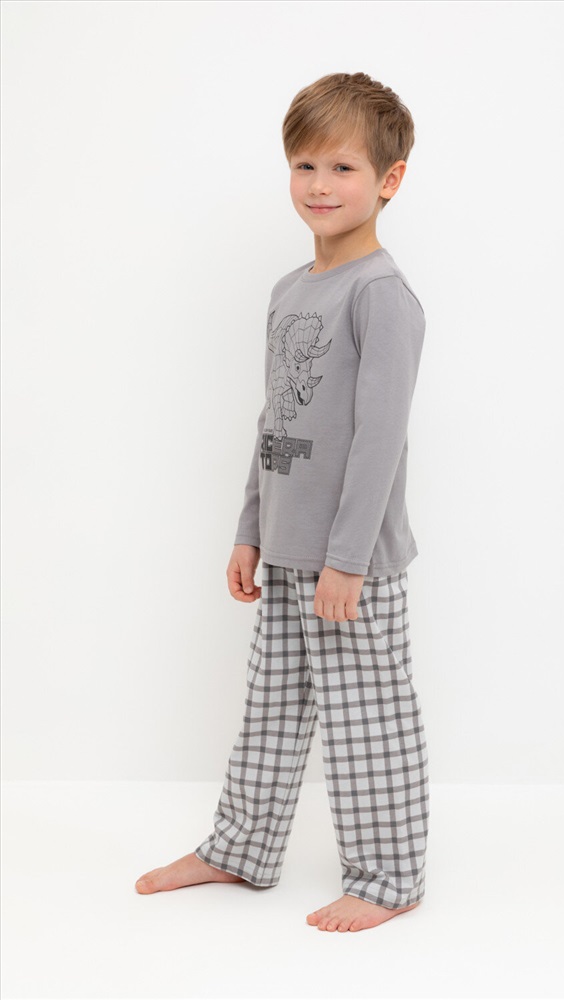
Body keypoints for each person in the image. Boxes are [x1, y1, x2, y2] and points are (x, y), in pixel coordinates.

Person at [135, 71, 430, 934]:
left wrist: (346, 559)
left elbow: (379, 440)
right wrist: (249, 529)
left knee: (366, 721)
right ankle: (242, 847)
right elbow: (275, 420)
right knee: (269, 712)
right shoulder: (289, 290)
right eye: (304, 166)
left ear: (389, 179)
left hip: (351, 563)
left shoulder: (380, 295)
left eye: (342, 168)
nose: (319, 185)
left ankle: (388, 878)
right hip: (288, 548)